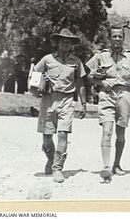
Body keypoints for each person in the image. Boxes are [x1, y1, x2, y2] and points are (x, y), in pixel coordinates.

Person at [86, 24, 130, 181]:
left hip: (125, 95)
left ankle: (116, 164)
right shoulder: (100, 56)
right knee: (107, 130)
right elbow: (89, 76)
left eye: (120, 36)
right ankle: (106, 166)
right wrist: (101, 82)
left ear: (123, 38)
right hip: (106, 95)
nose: (117, 39)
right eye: (114, 36)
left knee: (120, 133)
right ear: (109, 38)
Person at [34, 28, 87, 183]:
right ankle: (50, 159)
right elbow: (35, 76)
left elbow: (81, 83)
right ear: (57, 42)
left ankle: (58, 168)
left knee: (63, 133)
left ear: (72, 45)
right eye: (62, 40)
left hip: (67, 100)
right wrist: (35, 90)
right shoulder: (47, 59)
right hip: (48, 100)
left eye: (68, 41)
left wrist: (83, 104)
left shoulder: (76, 62)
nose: (65, 43)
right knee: (47, 136)